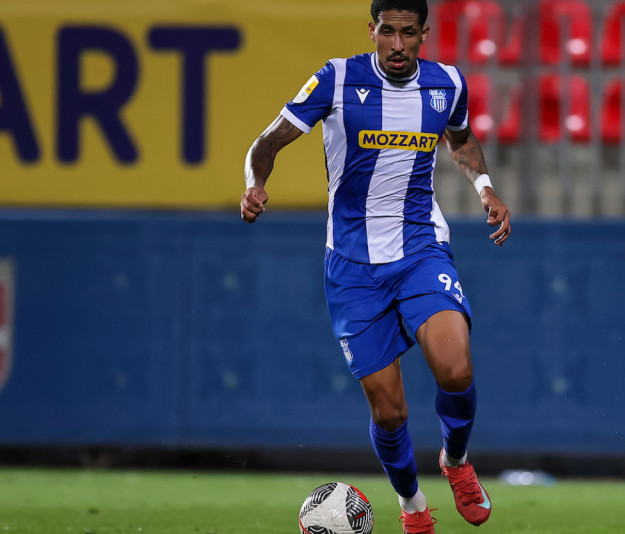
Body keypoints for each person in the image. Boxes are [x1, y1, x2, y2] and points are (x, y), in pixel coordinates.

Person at [240, 1, 511, 532]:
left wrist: (485, 188)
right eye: (387, 32)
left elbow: (460, 139)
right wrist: (254, 184)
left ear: (423, 34)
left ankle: (456, 461)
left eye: (408, 33)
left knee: (456, 368)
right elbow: (268, 140)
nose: (397, 44)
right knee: (390, 413)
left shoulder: (447, 84)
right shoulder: (337, 78)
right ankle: (413, 505)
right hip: (352, 266)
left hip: (419, 249)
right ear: (372, 31)